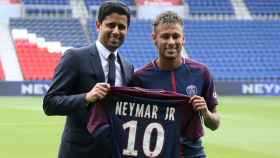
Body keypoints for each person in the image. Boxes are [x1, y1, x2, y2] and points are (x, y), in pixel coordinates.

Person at [43, 1, 134, 158]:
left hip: (113, 152)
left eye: (121, 27)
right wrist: (86, 97)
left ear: (127, 30)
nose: (116, 31)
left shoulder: (127, 67)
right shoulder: (75, 57)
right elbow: (50, 103)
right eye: (110, 25)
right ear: (98, 25)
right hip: (78, 153)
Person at [128, 11, 220, 158]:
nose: (171, 42)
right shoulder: (139, 78)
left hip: (192, 152)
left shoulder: (201, 72)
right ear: (154, 38)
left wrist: (205, 113)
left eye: (176, 36)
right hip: (155, 152)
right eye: (165, 36)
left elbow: (215, 124)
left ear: (183, 39)